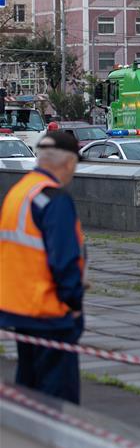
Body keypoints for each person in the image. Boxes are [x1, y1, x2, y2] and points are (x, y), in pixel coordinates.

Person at [0, 131, 87, 404]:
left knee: (29, 391)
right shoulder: (53, 198)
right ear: (69, 163)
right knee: (56, 398)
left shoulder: (20, 191)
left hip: (20, 308)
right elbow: (64, 259)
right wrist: (73, 303)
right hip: (49, 311)